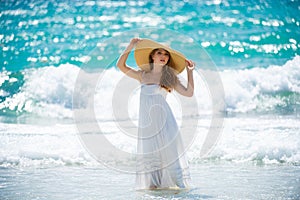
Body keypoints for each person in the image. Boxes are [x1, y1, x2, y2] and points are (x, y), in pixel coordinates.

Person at [117, 38, 194, 190]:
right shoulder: (142, 75)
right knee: (151, 155)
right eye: (159, 52)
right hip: (148, 124)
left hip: (165, 121)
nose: (163, 55)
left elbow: (189, 93)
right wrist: (131, 45)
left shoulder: (169, 77)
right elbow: (120, 65)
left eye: (166, 54)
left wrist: (190, 72)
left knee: (169, 153)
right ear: (152, 56)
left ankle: (180, 187)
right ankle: (154, 189)